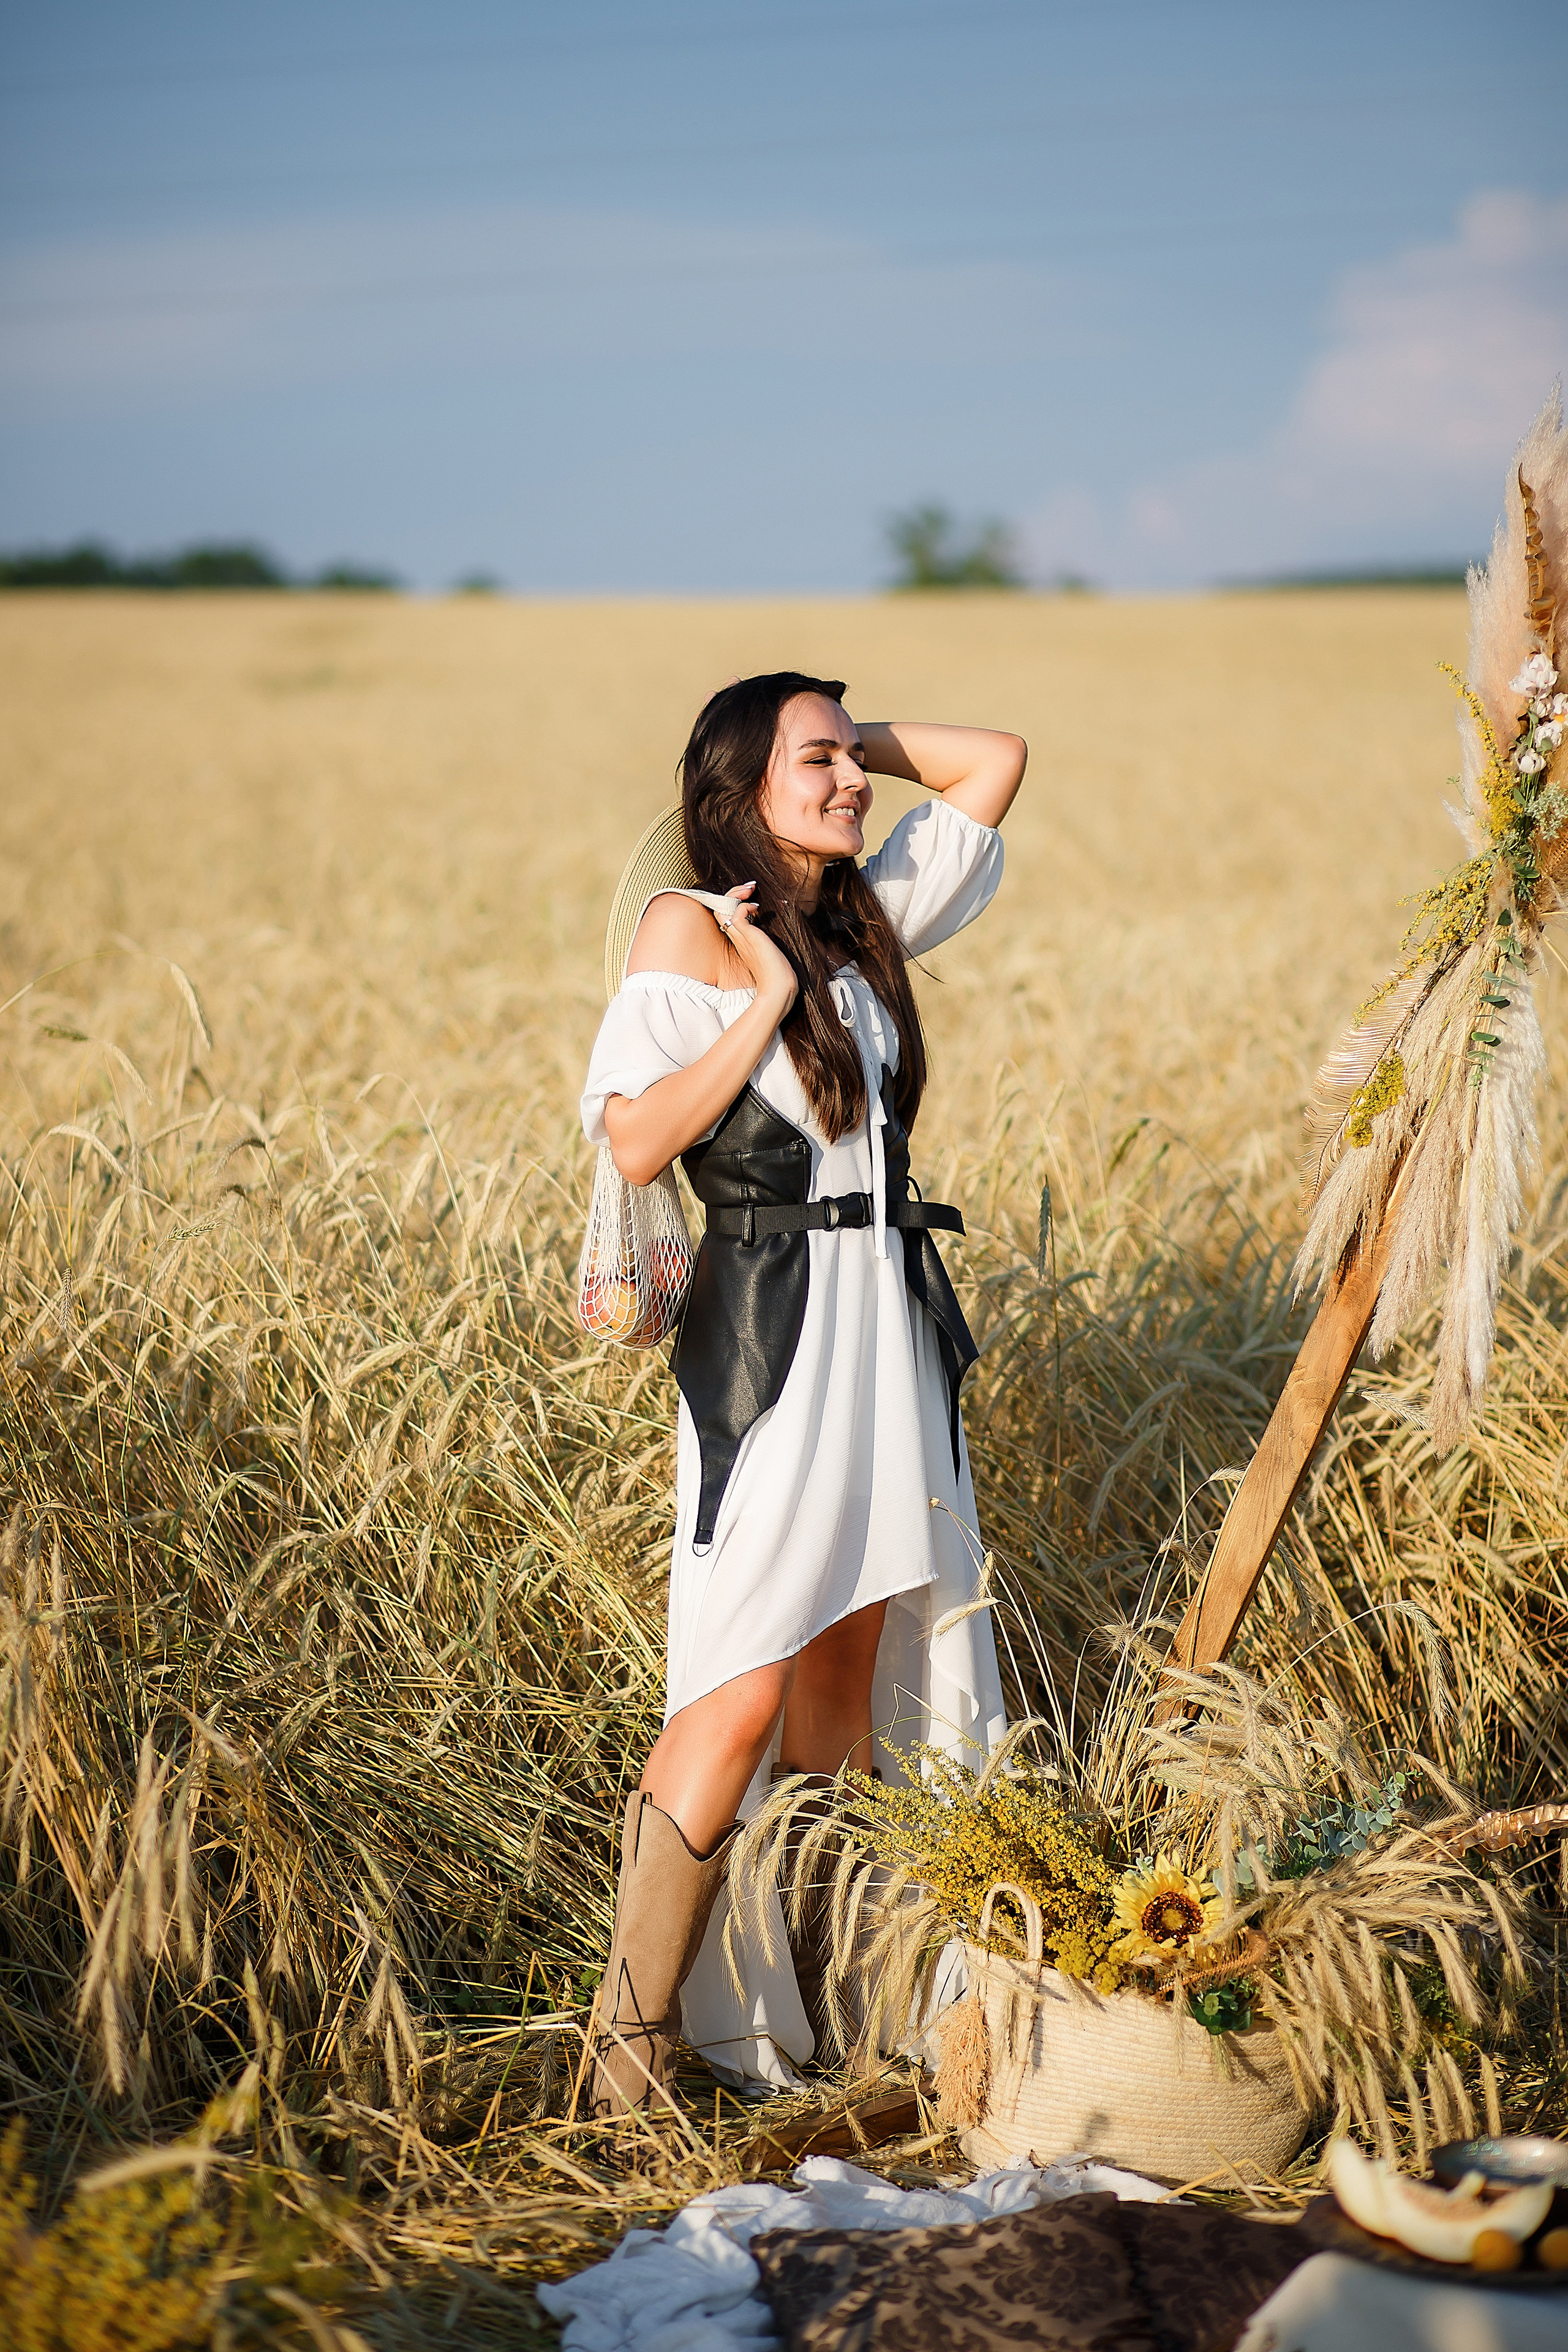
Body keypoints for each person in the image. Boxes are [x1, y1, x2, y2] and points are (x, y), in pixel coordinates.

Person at [579, 671, 1025, 2113]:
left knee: (847, 1668)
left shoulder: (861, 914)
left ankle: (822, 2036)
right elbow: (639, 1140)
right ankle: (627, 2057)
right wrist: (759, 989)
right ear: (736, 784)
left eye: (850, 758)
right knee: (737, 1680)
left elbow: (994, 761)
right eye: (815, 759)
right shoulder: (690, 929)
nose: (853, 781)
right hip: (771, 1337)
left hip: (883, 1325)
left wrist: (845, 748)